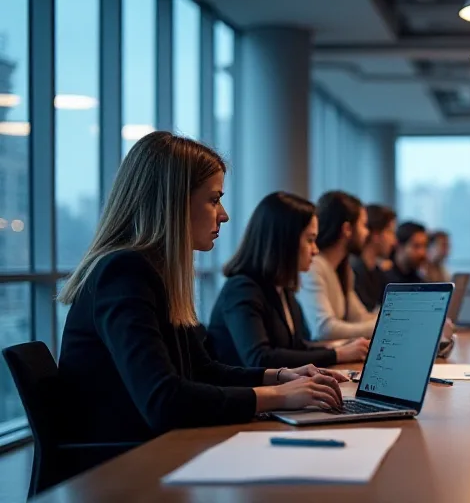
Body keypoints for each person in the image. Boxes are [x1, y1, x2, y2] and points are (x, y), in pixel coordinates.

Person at [56, 131, 348, 448]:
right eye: (213, 199)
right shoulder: (124, 273)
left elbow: (201, 369)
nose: (223, 214)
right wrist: (277, 396)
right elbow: (163, 402)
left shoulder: (153, 273)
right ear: (173, 203)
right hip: (120, 470)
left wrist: (277, 377)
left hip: (152, 450)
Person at [206, 192, 370, 368]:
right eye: (310, 240)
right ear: (284, 241)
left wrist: (341, 349)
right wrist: (337, 354)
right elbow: (260, 358)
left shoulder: (282, 288)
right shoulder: (242, 288)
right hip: (244, 393)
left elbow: (296, 348)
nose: (315, 250)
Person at [296, 191, 379, 341]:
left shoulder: (343, 269)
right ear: (347, 229)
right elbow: (323, 329)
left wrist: (395, 321)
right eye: (363, 225)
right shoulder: (313, 267)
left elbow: (359, 317)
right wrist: (382, 327)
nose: (367, 233)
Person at [351, 204, 396, 311]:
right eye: (390, 232)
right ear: (376, 234)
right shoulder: (354, 272)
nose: (394, 241)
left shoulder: (377, 273)